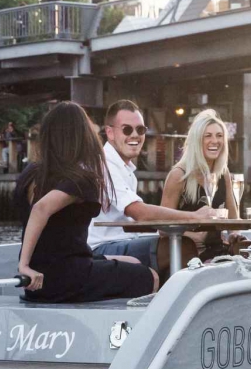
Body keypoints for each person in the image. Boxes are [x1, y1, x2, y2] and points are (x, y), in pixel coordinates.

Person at [14, 101, 158, 302]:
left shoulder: (30, 173)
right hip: (67, 278)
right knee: (149, 276)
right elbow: (41, 208)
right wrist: (24, 265)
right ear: (83, 134)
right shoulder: (82, 179)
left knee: (132, 261)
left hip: (40, 280)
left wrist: (27, 267)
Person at [89, 99, 217, 276]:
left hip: (122, 240)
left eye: (140, 130)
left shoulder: (125, 169)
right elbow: (139, 212)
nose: (135, 135)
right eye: (127, 129)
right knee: (181, 246)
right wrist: (194, 216)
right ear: (110, 132)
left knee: (181, 243)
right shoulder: (104, 165)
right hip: (100, 249)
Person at [159, 109, 240, 259]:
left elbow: (233, 221)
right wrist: (197, 235)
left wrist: (234, 236)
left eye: (219, 136)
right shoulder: (178, 175)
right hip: (185, 253)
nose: (215, 141)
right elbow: (163, 229)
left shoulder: (223, 173)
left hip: (217, 252)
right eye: (207, 136)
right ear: (197, 140)